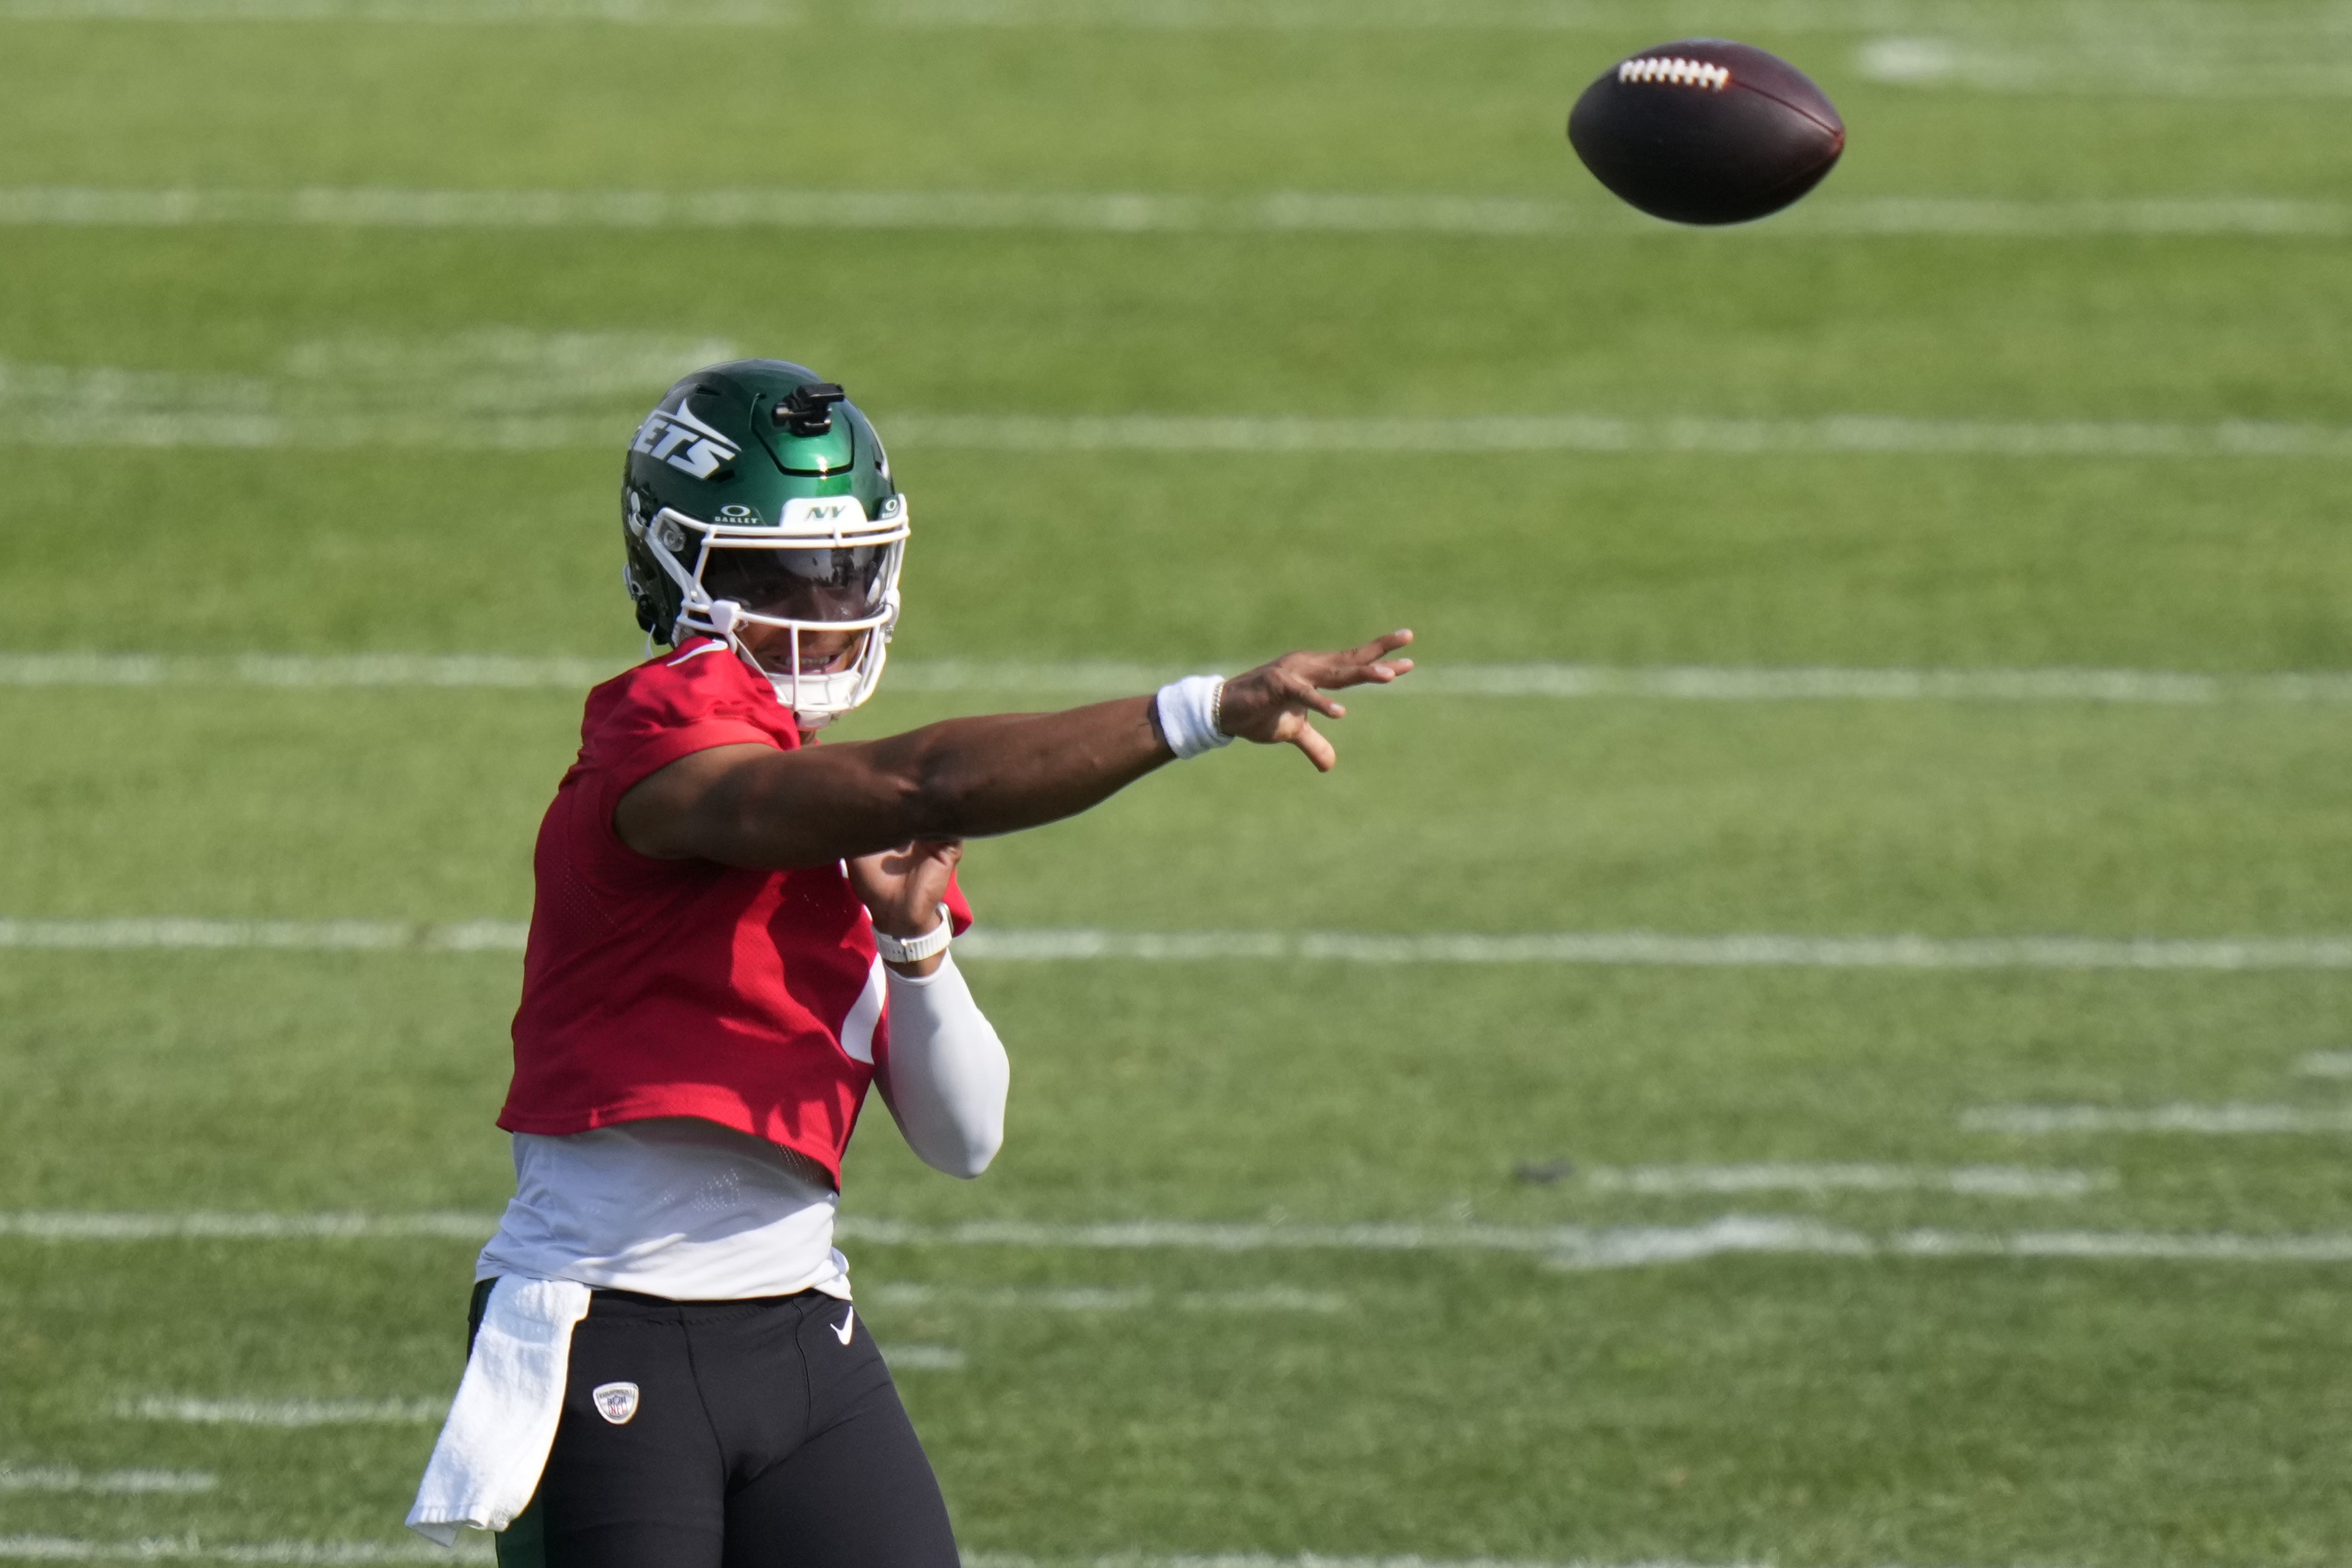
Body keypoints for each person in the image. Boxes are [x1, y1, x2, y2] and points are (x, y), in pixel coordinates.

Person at [407, 360, 1412, 1567]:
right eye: (776, 575)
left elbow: (965, 1139)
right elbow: (923, 781)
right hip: (606, 1323)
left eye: (844, 571)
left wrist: (915, 944)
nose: (822, 606)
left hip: (799, 1327)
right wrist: (1195, 712)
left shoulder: (839, 808)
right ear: (675, 566)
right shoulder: (662, 750)